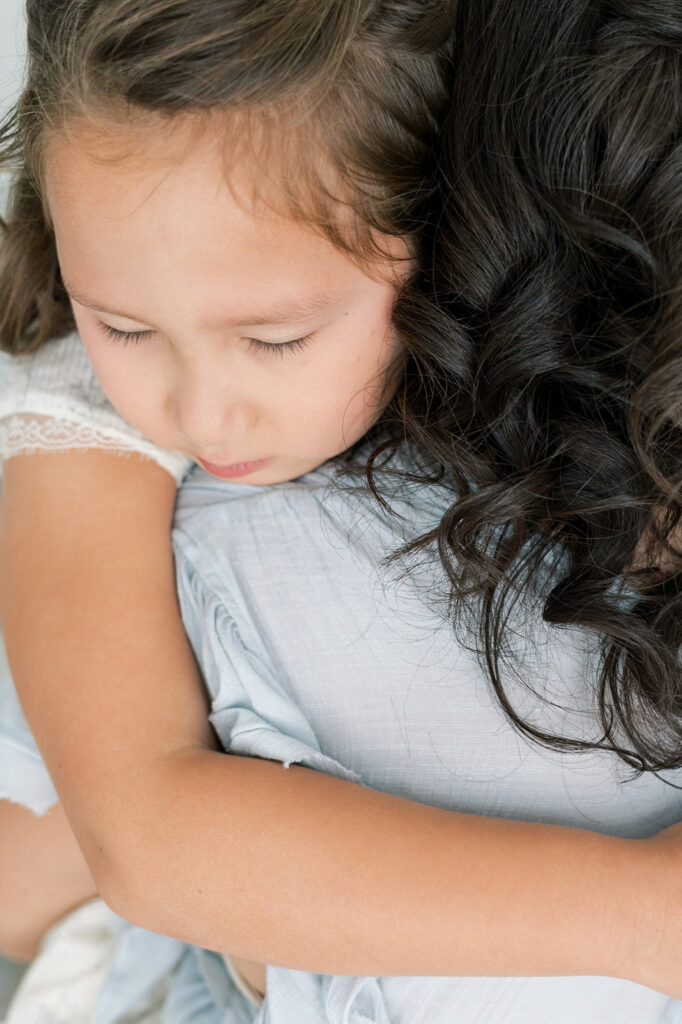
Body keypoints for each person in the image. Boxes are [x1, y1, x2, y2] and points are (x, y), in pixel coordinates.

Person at [0, 0, 681, 1019]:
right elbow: (135, 840)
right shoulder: (82, 424)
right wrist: (634, 910)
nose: (198, 409)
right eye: (124, 324)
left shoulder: (522, 375)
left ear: (431, 241)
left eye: (274, 341)